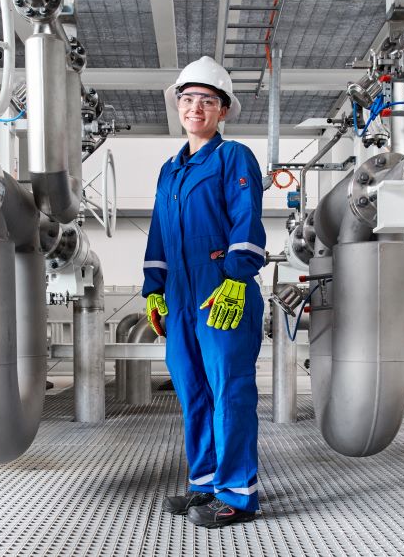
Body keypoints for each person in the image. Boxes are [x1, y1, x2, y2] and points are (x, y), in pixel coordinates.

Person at [142, 56, 267, 528]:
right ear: (178, 104)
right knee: (193, 389)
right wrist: (154, 288)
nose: (196, 107)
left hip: (221, 288)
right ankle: (205, 483)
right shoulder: (169, 170)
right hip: (179, 295)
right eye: (189, 99)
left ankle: (238, 495)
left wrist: (237, 277)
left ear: (223, 110)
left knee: (229, 390)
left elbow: (246, 220)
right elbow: (158, 234)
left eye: (207, 101)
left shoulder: (233, 157)